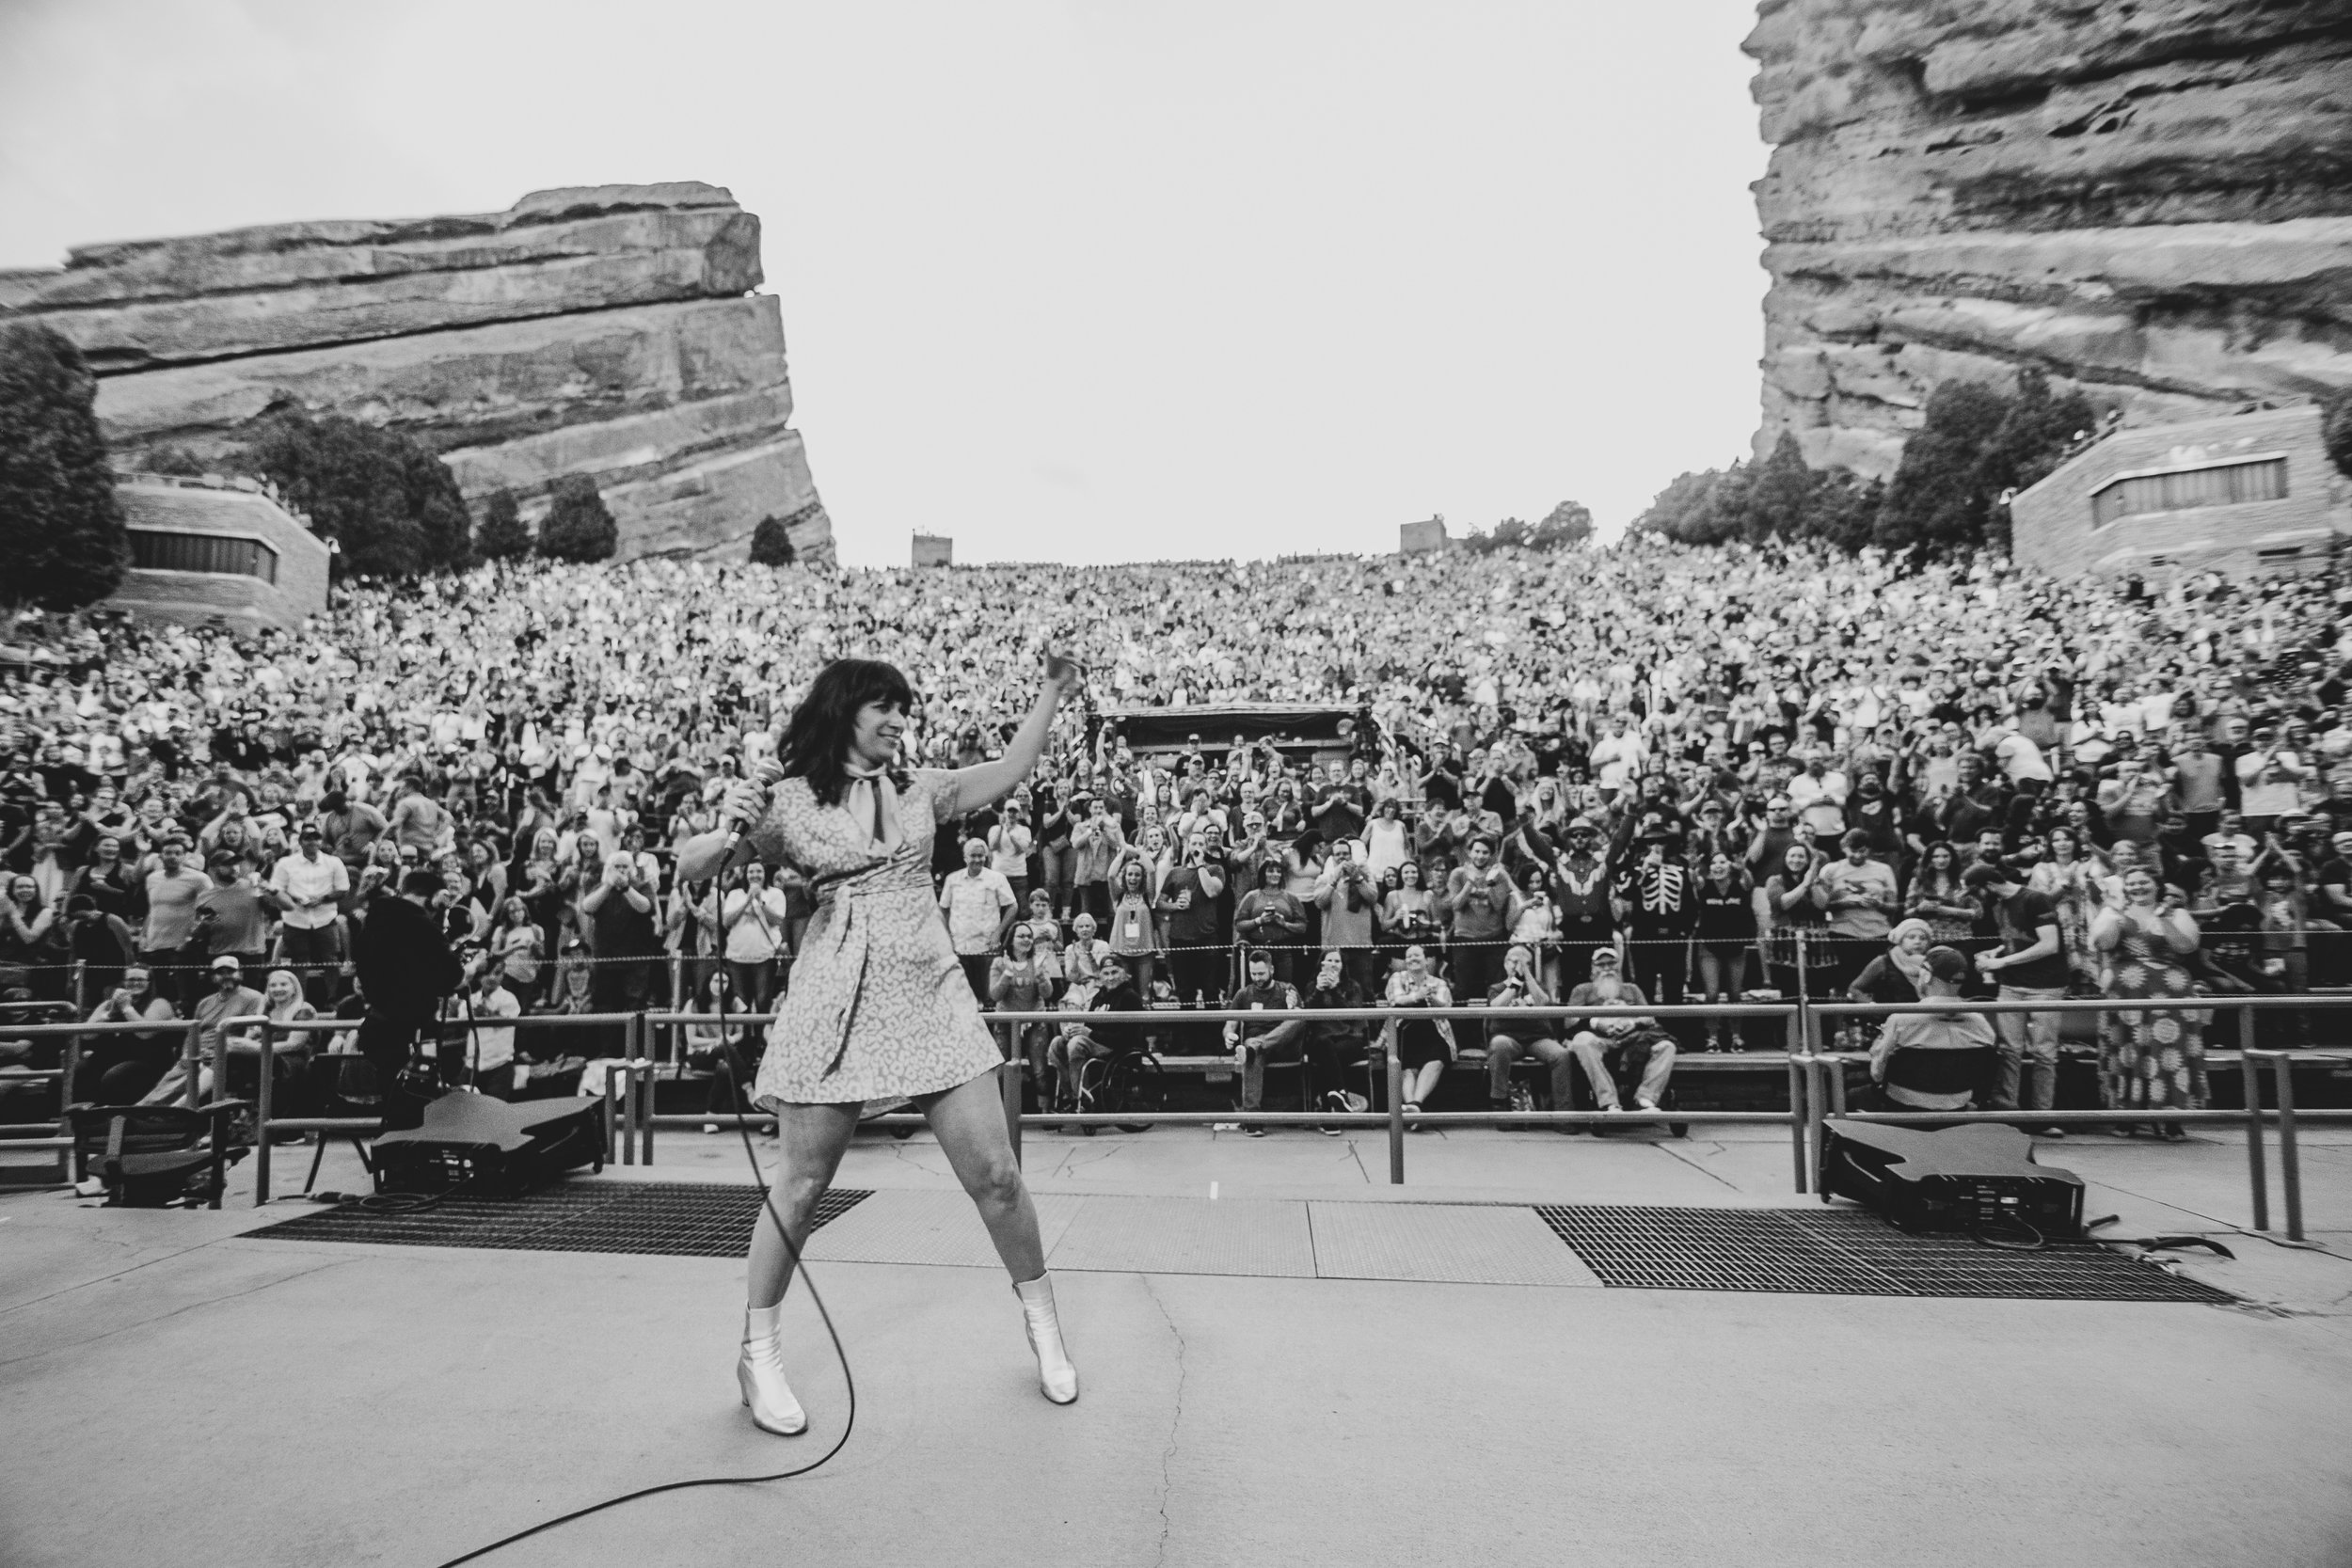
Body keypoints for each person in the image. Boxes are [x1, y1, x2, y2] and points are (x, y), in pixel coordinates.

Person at [683, 652, 1085, 1432]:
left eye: (904, 707)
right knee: (800, 1187)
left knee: (998, 1174)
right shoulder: (785, 800)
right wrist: (725, 818)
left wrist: (1051, 694)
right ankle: (756, 1356)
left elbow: (1008, 767)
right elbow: (695, 865)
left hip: (930, 992)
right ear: (846, 711)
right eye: (885, 707)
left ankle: (1044, 1326)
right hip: (835, 992)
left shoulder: (920, 788)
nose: (900, 719)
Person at [2090, 865, 2206, 1139]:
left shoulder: (2177, 913)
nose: (2137, 888)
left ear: (2157, 886)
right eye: (2131, 884)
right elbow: (2103, 944)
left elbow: (2186, 946)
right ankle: (2126, 1115)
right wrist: (2115, 917)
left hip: (2170, 990)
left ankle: (2170, 1117)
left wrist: (2163, 919)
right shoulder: (2112, 911)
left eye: (2144, 883)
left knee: (2166, 1049)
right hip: (2126, 991)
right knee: (2127, 1049)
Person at [1963, 861, 2069, 1135]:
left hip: (2046, 985)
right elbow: (2015, 939)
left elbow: (2049, 944)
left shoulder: (2036, 899)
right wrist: (1994, 955)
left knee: (2044, 1052)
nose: (1976, 901)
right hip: (2012, 984)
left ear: (1988, 886)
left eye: (1976, 893)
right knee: (2010, 1050)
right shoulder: (1998, 905)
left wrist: (2003, 963)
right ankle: (2009, 1112)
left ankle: (2043, 1116)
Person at [352, 869, 464, 1106]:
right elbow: (451, 976)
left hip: (379, 1025)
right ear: (436, 897)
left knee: (392, 1102)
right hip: (411, 1031)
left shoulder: (373, 921)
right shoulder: (422, 927)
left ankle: (391, 1142)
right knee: (414, 1105)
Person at [1861, 944, 1996, 1113]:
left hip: (1902, 1104)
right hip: (1957, 1105)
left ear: (1925, 975)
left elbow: (1877, 1073)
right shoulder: (1980, 1022)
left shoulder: (1901, 1019)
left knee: (1852, 1095)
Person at [1562, 945, 1675, 1118]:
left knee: (1667, 1046)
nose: (1607, 969)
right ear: (1593, 968)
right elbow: (1569, 1022)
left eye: (1611, 963)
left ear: (1618, 966)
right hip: (1600, 1039)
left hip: (1634, 1038)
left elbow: (1650, 1018)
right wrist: (1597, 1023)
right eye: (1601, 964)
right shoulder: (1582, 990)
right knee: (1581, 1041)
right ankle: (1609, 1102)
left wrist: (1632, 1023)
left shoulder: (1632, 989)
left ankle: (1645, 1099)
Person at [1483, 942, 1572, 1125]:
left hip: (1537, 1038)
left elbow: (1543, 1002)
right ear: (1505, 963)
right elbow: (1496, 1007)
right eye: (1513, 961)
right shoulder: (1497, 988)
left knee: (1561, 1055)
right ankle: (1499, 1103)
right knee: (1499, 1046)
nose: (1516, 966)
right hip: (1508, 1038)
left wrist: (1527, 975)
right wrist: (1516, 982)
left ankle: (1564, 1114)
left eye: (1523, 963)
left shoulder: (1537, 986)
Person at [1221, 947, 1306, 1133]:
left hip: (1286, 1045)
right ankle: (1253, 1119)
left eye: (1261, 973)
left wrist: (1292, 1009)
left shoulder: (1287, 989)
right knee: (1251, 1050)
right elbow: (1230, 1024)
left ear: (1272, 970)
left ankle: (1256, 1047)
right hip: (1255, 1046)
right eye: (1253, 974)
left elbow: (1300, 1020)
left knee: (1299, 1016)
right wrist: (1228, 1036)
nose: (1257, 978)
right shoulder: (1243, 994)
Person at [267, 821, 348, 1007]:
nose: (312, 842)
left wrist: (321, 899)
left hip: (325, 918)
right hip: (296, 919)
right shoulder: (286, 863)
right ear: (301, 841)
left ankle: (332, 999)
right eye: (308, 838)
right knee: (299, 961)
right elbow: (277, 888)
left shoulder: (333, 862)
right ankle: (298, 1001)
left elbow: (343, 889)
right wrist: (296, 899)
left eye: (316, 838)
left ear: (321, 841)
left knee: (331, 959)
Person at [1380, 944, 1455, 1128]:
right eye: (1409, 956)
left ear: (1427, 960)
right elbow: (1396, 1000)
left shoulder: (1439, 983)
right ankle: (1415, 1109)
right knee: (1408, 1069)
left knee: (1436, 1062)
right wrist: (1418, 996)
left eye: (1417, 955)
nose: (1412, 959)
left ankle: (1413, 1106)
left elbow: (1447, 1008)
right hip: (1405, 1030)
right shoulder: (1396, 978)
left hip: (1434, 1031)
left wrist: (1433, 1000)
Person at [940, 837, 1017, 1002]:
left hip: (987, 949)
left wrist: (998, 933)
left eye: (981, 856)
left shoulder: (997, 879)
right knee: (962, 999)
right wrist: (947, 937)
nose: (977, 859)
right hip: (960, 948)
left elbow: (1012, 906)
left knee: (989, 998)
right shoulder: (952, 880)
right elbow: (943, 909)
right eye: (973, 855)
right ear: (965, 857)